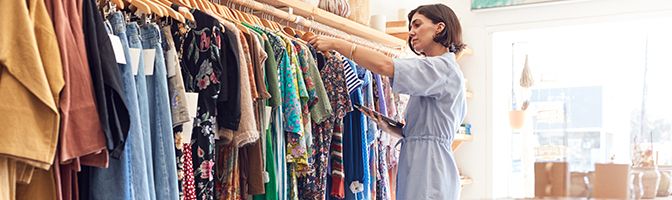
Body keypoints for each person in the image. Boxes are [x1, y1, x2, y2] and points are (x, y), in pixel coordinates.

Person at [309, 4, 468, 199]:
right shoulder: (438, 70)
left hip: (430, 165)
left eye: (418, 25)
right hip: (422, 159)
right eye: (411, 27)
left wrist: (339, 44)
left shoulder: (442, 68)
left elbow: (385, 65)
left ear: (439, 27)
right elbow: (432, 124)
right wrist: (395, 129)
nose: (412, 32)